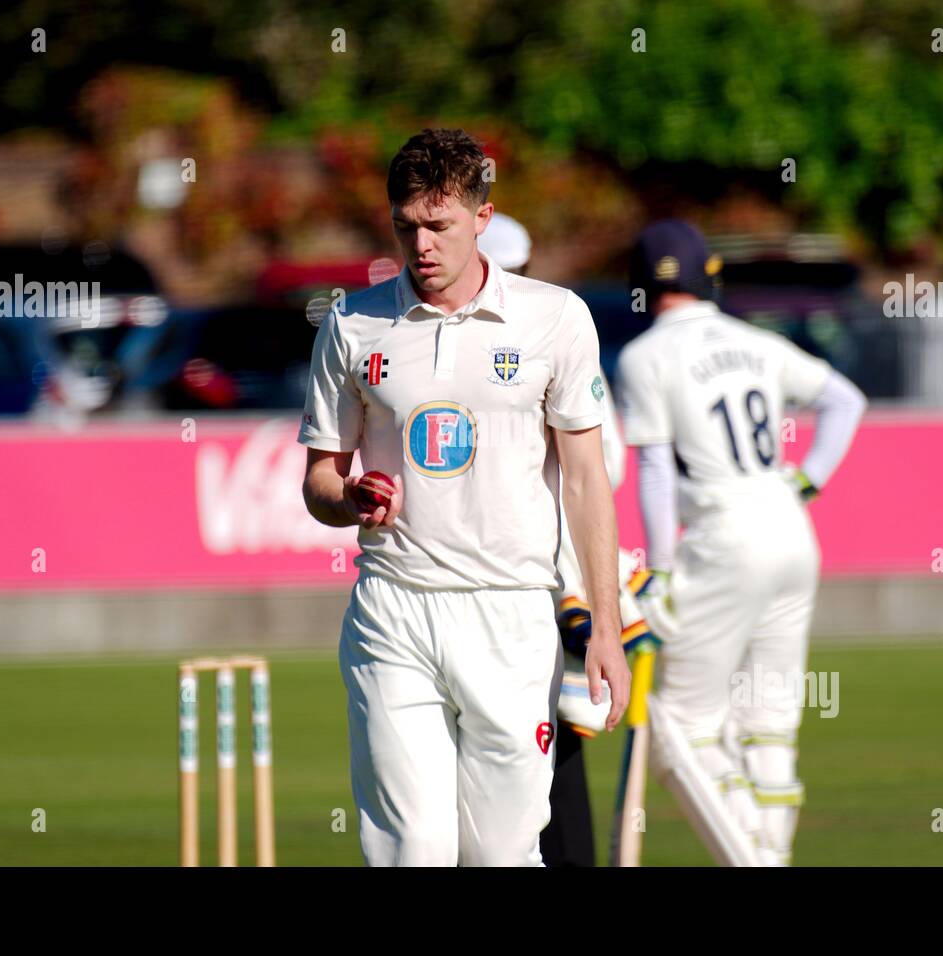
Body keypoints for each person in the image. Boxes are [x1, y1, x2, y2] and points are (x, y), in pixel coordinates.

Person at [299, 128, 631, 866]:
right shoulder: (352, 325)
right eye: (405, 225)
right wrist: (348, 496)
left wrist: (604, 624)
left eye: (439, 226)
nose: (421, 245)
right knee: (414, 848)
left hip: (511, 611)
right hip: (395, 607)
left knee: (501, 855)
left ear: (483, 218)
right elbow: (320, 479)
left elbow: (584, 480)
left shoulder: (555, 318)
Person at [616, 219, 865, 866]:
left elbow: (653, 470)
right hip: (791, 532)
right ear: (711, 277)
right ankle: (769, 854)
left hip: (725, 538)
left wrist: (662, 569)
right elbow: (845, 400)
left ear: (640, 286)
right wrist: (809, 479)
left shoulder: (644, 358)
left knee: (679, 729)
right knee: (769, 724)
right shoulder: (755, 341)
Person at [479, 211, 644, 867]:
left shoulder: (543, 330)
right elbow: (617, 465)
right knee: (545, 747)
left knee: (534, 750)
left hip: (537, 584)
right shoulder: (550, 324)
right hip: (534, 581)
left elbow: (602, 468)